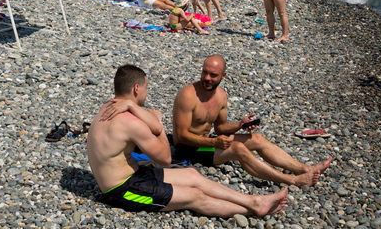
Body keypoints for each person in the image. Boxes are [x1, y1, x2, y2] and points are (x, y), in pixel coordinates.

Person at [87, 64, 289, 217]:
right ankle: (253, 211)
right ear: (137, 89)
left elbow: (149, 124)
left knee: (192, 175)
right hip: (122, 191)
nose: (147, 93)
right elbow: (165, 158)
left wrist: (139, 111)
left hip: (134, 174)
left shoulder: (109, 106)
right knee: (194, 196)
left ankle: (254, 201)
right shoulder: (130, 122)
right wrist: (159, 124)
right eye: (147, 88)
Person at [172, 55, 332, 187]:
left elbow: (220, 128)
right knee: (238, 149)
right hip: (190, 150)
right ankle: (292, 180)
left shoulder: (220, 95)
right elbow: (180, 137)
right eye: (204, 73)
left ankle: (305, 168)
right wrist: (214, 144)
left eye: (213, 75)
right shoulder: (188, 95)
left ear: (223, 76)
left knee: (257, 139)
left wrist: (239, 125)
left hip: (208, 143)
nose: (207, 78)